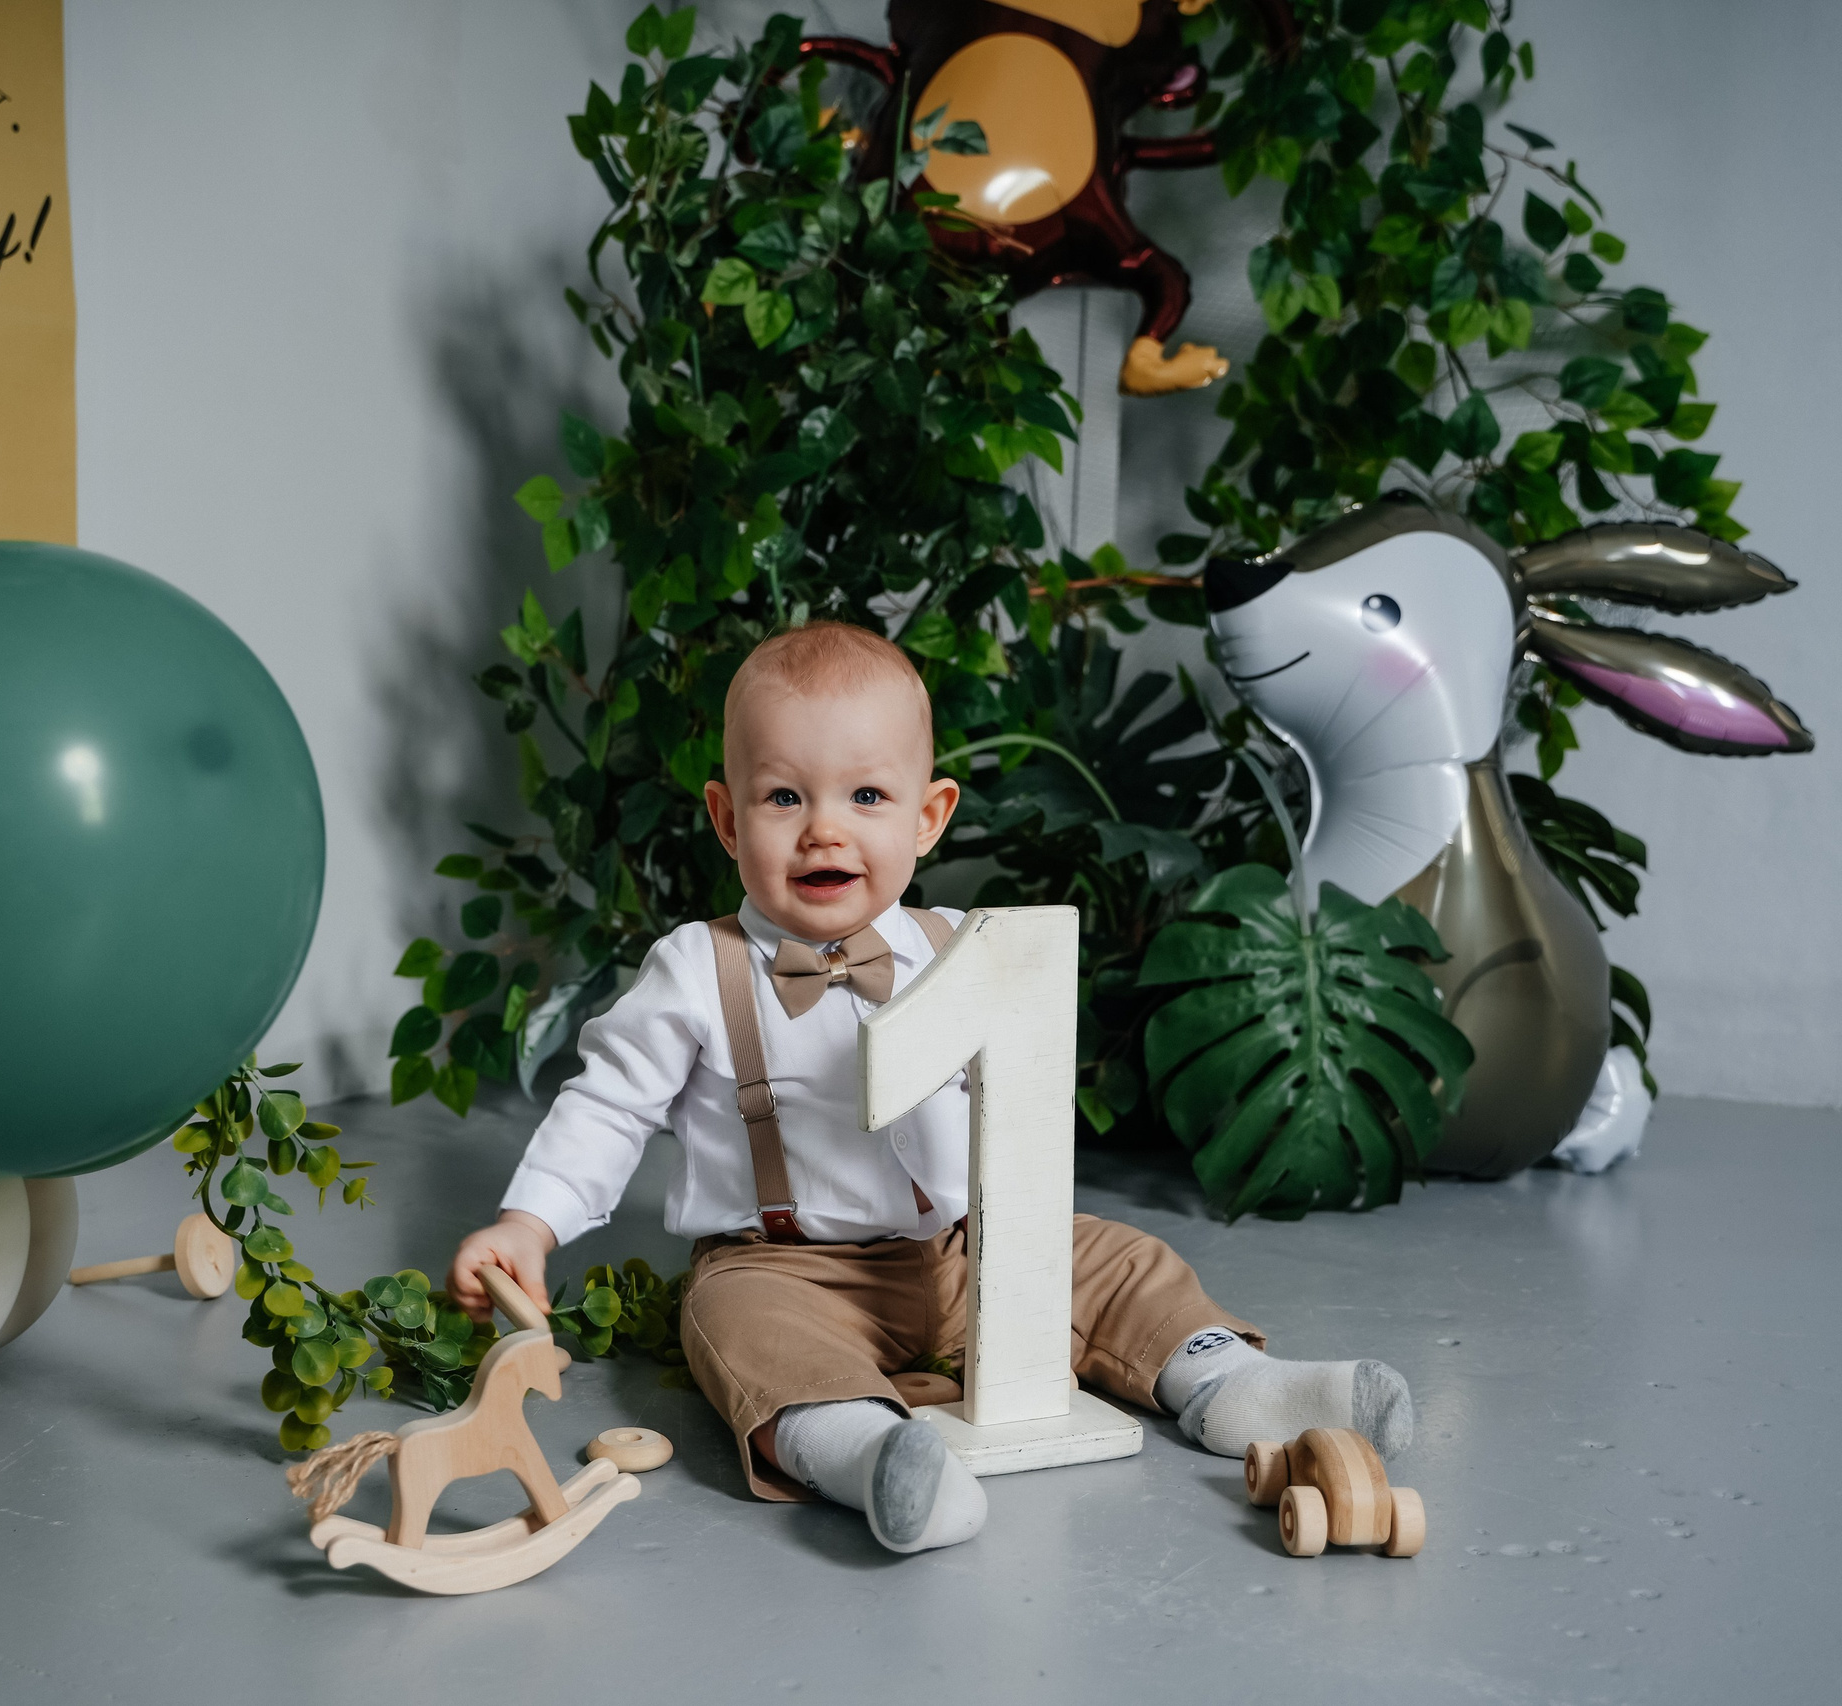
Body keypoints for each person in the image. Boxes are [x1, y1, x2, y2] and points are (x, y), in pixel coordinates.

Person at [445, 621, 1414, 1554]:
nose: (825, 827)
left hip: (965, 1249)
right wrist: (529, 1222)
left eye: (866, 794)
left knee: (1116, 1259)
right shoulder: (699, 967)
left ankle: (1232, 1380)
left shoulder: (962, 946)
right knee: (741, 1332)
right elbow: (608, 1105)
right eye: (784, 797)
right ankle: (871, 1452)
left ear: (928, 815)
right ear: (727, 818)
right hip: (788, 1267)